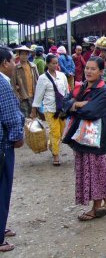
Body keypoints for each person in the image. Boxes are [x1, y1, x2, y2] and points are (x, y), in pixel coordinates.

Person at [62, 57, 106, 221]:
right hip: (81, 138)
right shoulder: (82, 86)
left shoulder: (103, 91)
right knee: (91, 172)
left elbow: (91, 112)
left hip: (95, 140)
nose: (88, 71)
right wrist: (78, 104)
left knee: (95, 172)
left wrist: (76, 105)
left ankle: (97, 208)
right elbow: (64, 102)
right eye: (87, 68)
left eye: (93, 69)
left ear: (101, 72)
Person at [0, 46, 25, 253]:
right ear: (4, 63)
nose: (15, 63)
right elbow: (9, 115)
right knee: (2, 187)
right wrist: (17, 137)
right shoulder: (2, 83)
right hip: (3, 145)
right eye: (12, 60)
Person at [30, 54, 69, 166]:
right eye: (53, 63)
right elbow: (38, 96)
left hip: (61, 109)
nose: (56, 65)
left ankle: (52, 146)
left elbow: (66, 92)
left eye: (57, 63)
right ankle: (56, 156)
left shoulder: (62, 76)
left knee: (61, 131)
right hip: (49, 109)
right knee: (55, 131)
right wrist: (34, 110)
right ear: (47, 64)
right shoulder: (43, 78)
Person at [11, 46, 39, 117]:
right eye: (22, 54)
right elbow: (13, 84)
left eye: (26, 54)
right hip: (23, 97)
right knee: (25, 117)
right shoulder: (15, 68)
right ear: (19, 55)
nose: (24, 56)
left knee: (34, 117)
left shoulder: (33, 66)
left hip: (34, 96)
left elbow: (38, 80)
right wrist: (17, 95)